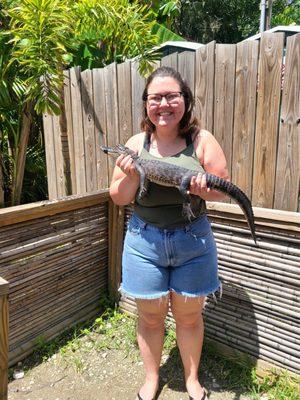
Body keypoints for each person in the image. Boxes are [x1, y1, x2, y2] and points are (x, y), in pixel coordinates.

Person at [109, 66, 229, 400]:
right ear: (146, 104)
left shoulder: (202, 141)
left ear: (185, 101)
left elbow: (223, 189)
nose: (163, 104)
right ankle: (152, 378)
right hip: (144, 241)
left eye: (171, 96)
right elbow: (118, 197)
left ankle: (191, 379)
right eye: (155, 97)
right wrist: (132, 173)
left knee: (189, 318)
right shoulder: (135, 145)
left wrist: (204, 188)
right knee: (149, 317)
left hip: (192, 240)